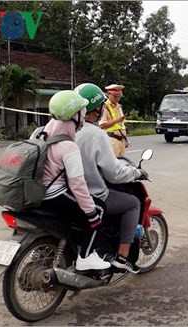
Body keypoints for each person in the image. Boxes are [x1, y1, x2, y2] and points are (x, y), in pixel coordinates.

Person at [75, 83, 149, 274]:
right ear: (98, 107)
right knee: (132, 202)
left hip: (63, 193)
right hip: (91, 194)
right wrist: (137, 173)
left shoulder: (58, 129)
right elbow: (114, 173)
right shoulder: (94, 134)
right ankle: (122, 258)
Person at [41, 90, 111, 271]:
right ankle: (86, 256)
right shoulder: (68, 146)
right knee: (99, 208)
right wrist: (90, 211)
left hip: (37, 192)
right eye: (81, 111)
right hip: (54, 194)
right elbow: (77, 185)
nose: (83, 115)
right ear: (74, 115)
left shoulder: (42, 133)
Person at [99, 84, 129, 157]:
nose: (117, 99)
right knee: (113, 165)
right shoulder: (105, 107)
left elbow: (121, 125)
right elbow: (102, 125)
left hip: (121, 140)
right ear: (109, 94)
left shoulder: (119, 106)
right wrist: (117, 120)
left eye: (119, 96)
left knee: (122, 163)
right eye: (115, 96)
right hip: (112, 140)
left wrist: (125, 139)